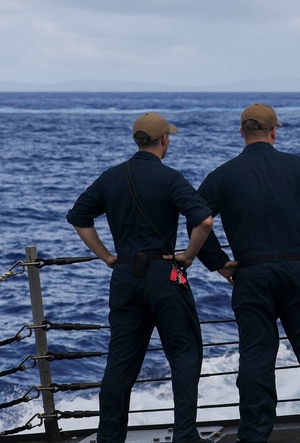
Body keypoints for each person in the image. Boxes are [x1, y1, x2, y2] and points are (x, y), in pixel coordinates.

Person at [196, 103, 300, 443]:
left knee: (256, 353)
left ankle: (254, 432)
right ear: (273, 132)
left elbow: (197, 219)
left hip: (251, 272)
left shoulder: (221, 176)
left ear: (242, 133)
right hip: (299, 269)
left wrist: (219, 261)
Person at [66, 112, 215, 443]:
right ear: (164, 140)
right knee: (184, 354)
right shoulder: (169, 178)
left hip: (125, 276)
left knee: (121, 361)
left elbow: (78, 218)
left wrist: (106, 256)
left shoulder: (111, 177)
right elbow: (203, 221)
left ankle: (109, 437)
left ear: (137, 140)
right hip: (164, 273)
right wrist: (188, 256)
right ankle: (186, 435)